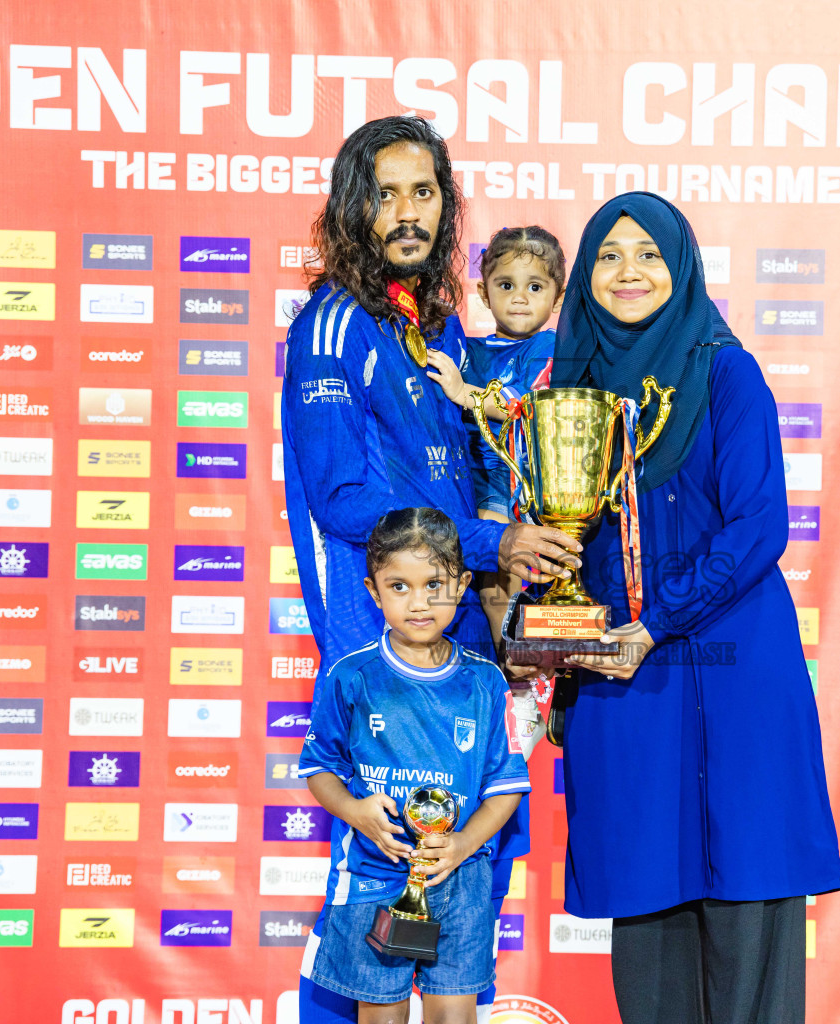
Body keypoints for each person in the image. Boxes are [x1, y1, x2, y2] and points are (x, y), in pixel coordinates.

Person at [283, 115, 578, 1024]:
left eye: (424, 192)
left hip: (464, 642)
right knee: (376, 888)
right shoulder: (332, 326)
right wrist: (491, 547)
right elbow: (344, 498)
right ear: (353, 207)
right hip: (384, 652)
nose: (408, 213)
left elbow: (473, 474)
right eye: (385, 194)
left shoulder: (438, 328)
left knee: (470, 872)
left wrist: (516, 564)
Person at [551, 193, 840, 1024]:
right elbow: (566, 539)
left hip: (729, 664)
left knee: (747, 896)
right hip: (625, 680)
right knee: (646, 912)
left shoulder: (725, 373)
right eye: (609, 255)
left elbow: (758, 526)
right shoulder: (566, 388)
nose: (629, 271)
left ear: (680, 266)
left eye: (649, 253)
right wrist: (549, 617)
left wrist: (655, 622)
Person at [298, 508, 531, 1024]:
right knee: (381, 1014)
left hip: (462, 877)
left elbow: (507, 786)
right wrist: (355, 812)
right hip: (373, 875)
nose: (419, 602)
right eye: (399, 586)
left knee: (455, 1015)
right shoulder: (351, 676)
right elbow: (319, 769)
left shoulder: (485, 682)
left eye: (435, 585)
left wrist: (464, 844)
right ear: (373, 591)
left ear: (462, 585)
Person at [424, 225, 566, 654]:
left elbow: (523, 407)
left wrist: (463, 392)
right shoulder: (467, 348)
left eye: (535, 287)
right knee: (478, 574)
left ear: (558, 298)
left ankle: (514, 651)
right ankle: (501, 652)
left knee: (502, 565)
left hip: (511, 481)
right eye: (506, 285)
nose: (519, 297)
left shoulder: (548, 347)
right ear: (484, 293)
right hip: (462, 479)